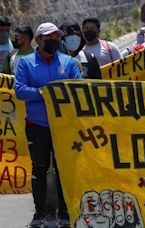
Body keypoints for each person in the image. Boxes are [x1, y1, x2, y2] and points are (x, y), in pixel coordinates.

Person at [15, 22, 82, 228]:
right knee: (39, 169)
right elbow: (20, 90)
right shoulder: (25, 63)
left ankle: (64, 213)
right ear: (38, 40)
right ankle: (40, 214)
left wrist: (58, 93)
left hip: (64, 127)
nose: (53, 40)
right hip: (37, 125)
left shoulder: (69, 62)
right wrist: (43, 93)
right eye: (48, 37)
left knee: (64, 170)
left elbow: (77, 89)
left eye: (56, 37)